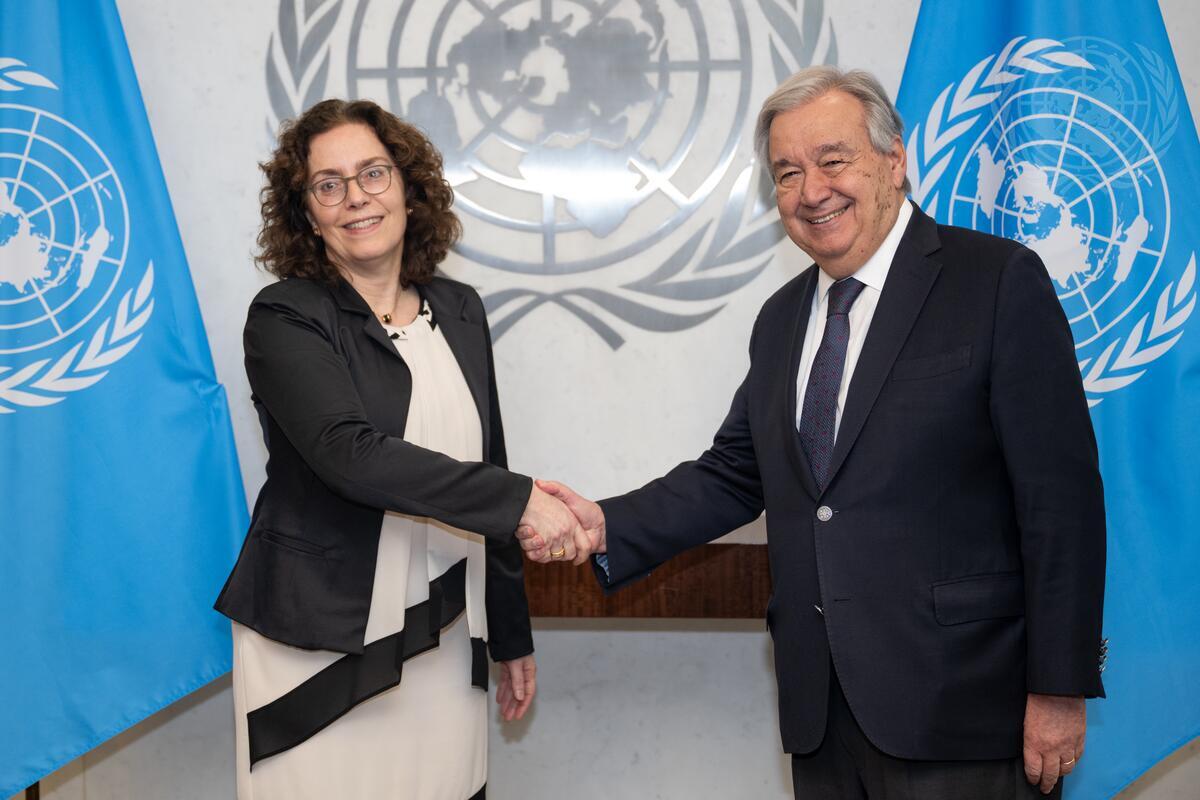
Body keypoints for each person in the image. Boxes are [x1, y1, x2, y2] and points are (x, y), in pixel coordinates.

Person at [521, 67, 1107, 799]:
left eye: (833, 160)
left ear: (894, 161)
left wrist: (1059, 686)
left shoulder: (995, 281)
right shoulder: (782, 317)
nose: (811, 191)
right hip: (821, 713)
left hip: (964, 709)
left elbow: (1060, 502)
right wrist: (604, 524)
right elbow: (735, 474)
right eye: (788, 173)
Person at [214, 98, 584, 800]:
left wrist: (511, 632)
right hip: (319, 641)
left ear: (409, 189)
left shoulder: (462, 308)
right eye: (328, 184)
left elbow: (488, 466)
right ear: (307, 213)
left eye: (373, 173)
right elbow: (349, 454)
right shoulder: (286, 314)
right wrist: (520, 502)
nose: (356, 197)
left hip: (448, 630)